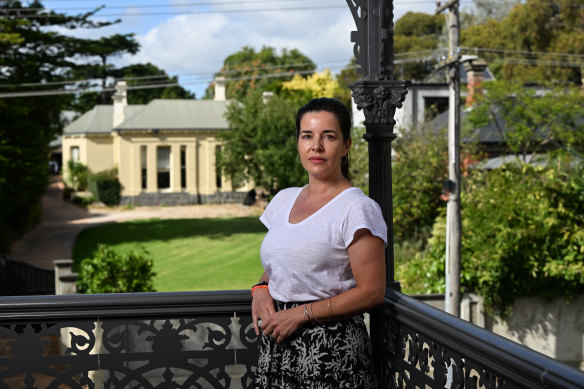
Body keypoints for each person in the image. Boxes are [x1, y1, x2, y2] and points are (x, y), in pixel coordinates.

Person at [252, 97, 387, 388]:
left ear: (346, 146)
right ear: (298, 143)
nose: (317, 146)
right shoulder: (284, 199)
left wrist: (300, 315)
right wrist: (261, 289)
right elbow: (282, 264)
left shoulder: (357, 208)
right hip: (278, 344)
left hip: (330, 350)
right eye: (307, 136)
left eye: (329, 136)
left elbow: (372, 292)